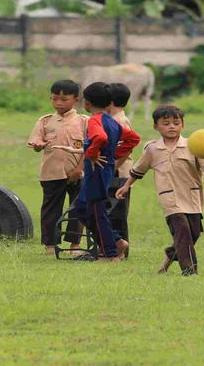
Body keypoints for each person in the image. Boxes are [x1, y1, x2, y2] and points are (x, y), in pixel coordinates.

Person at [115, 105, 204, 275]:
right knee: (182, 231)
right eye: (166, 123)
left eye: (176, 122)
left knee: (193, 234)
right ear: (156, 126)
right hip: (169, 199)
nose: (171, 126)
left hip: (192, 196)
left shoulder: (194, 144)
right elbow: (139, 169)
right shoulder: (152, 149)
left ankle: (170, 255)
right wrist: (126, 185)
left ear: (183, 125)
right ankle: (190, 271)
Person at [54, 82, 140, 262]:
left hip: (96, 172)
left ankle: (109, 253)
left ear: (86, 103)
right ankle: (116, 241)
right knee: (82, 208)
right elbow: (133, 139)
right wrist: (113, 155)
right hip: (105, 171)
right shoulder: (111, 120)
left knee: (96, 211)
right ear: (110, 104)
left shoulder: (94, 120)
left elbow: (100, 137)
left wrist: (92, 155)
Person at [27, 80, 88, 255]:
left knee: (78, 209)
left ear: (76, 100)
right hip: (51, 172)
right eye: (55, 99)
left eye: (64, 99)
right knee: (51, 209)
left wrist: (79, 169)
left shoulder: (84, 122)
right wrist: (38, 145)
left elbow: (89, 148)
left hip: (78, 172)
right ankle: (50, 245)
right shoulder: (45, 121)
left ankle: (74, 245)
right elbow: (36, 141)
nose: (59, 103)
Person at [107, 82, 134, 247]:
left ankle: (120, 248)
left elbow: (125, 150)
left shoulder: (119, 121)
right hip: (115, 172)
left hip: (118, 173)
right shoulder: (114, 119)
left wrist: (112, 168)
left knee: (117, 213)